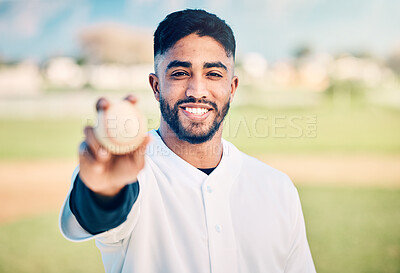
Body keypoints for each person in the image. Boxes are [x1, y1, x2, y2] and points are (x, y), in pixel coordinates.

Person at [59, 9, 316, 273]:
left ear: (232, 87)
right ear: (156, 87)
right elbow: (101, 212)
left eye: (213, 74)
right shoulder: (128, 174)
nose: (197, 90)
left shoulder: (278, 189)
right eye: (180, 73)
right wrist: (104, 192)